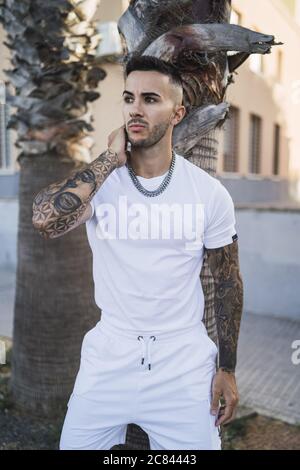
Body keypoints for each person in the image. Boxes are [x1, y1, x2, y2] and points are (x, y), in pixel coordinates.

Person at [32, 55, 243, 450]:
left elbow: (227, 280)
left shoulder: (208, 193)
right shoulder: (101, 184)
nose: (136, 108)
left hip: (182, 362)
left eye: (150, 99)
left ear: (178, 112)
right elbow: (44, 220)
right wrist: (109, 159)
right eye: (129, 98)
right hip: (109, 354)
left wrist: (227, 368)